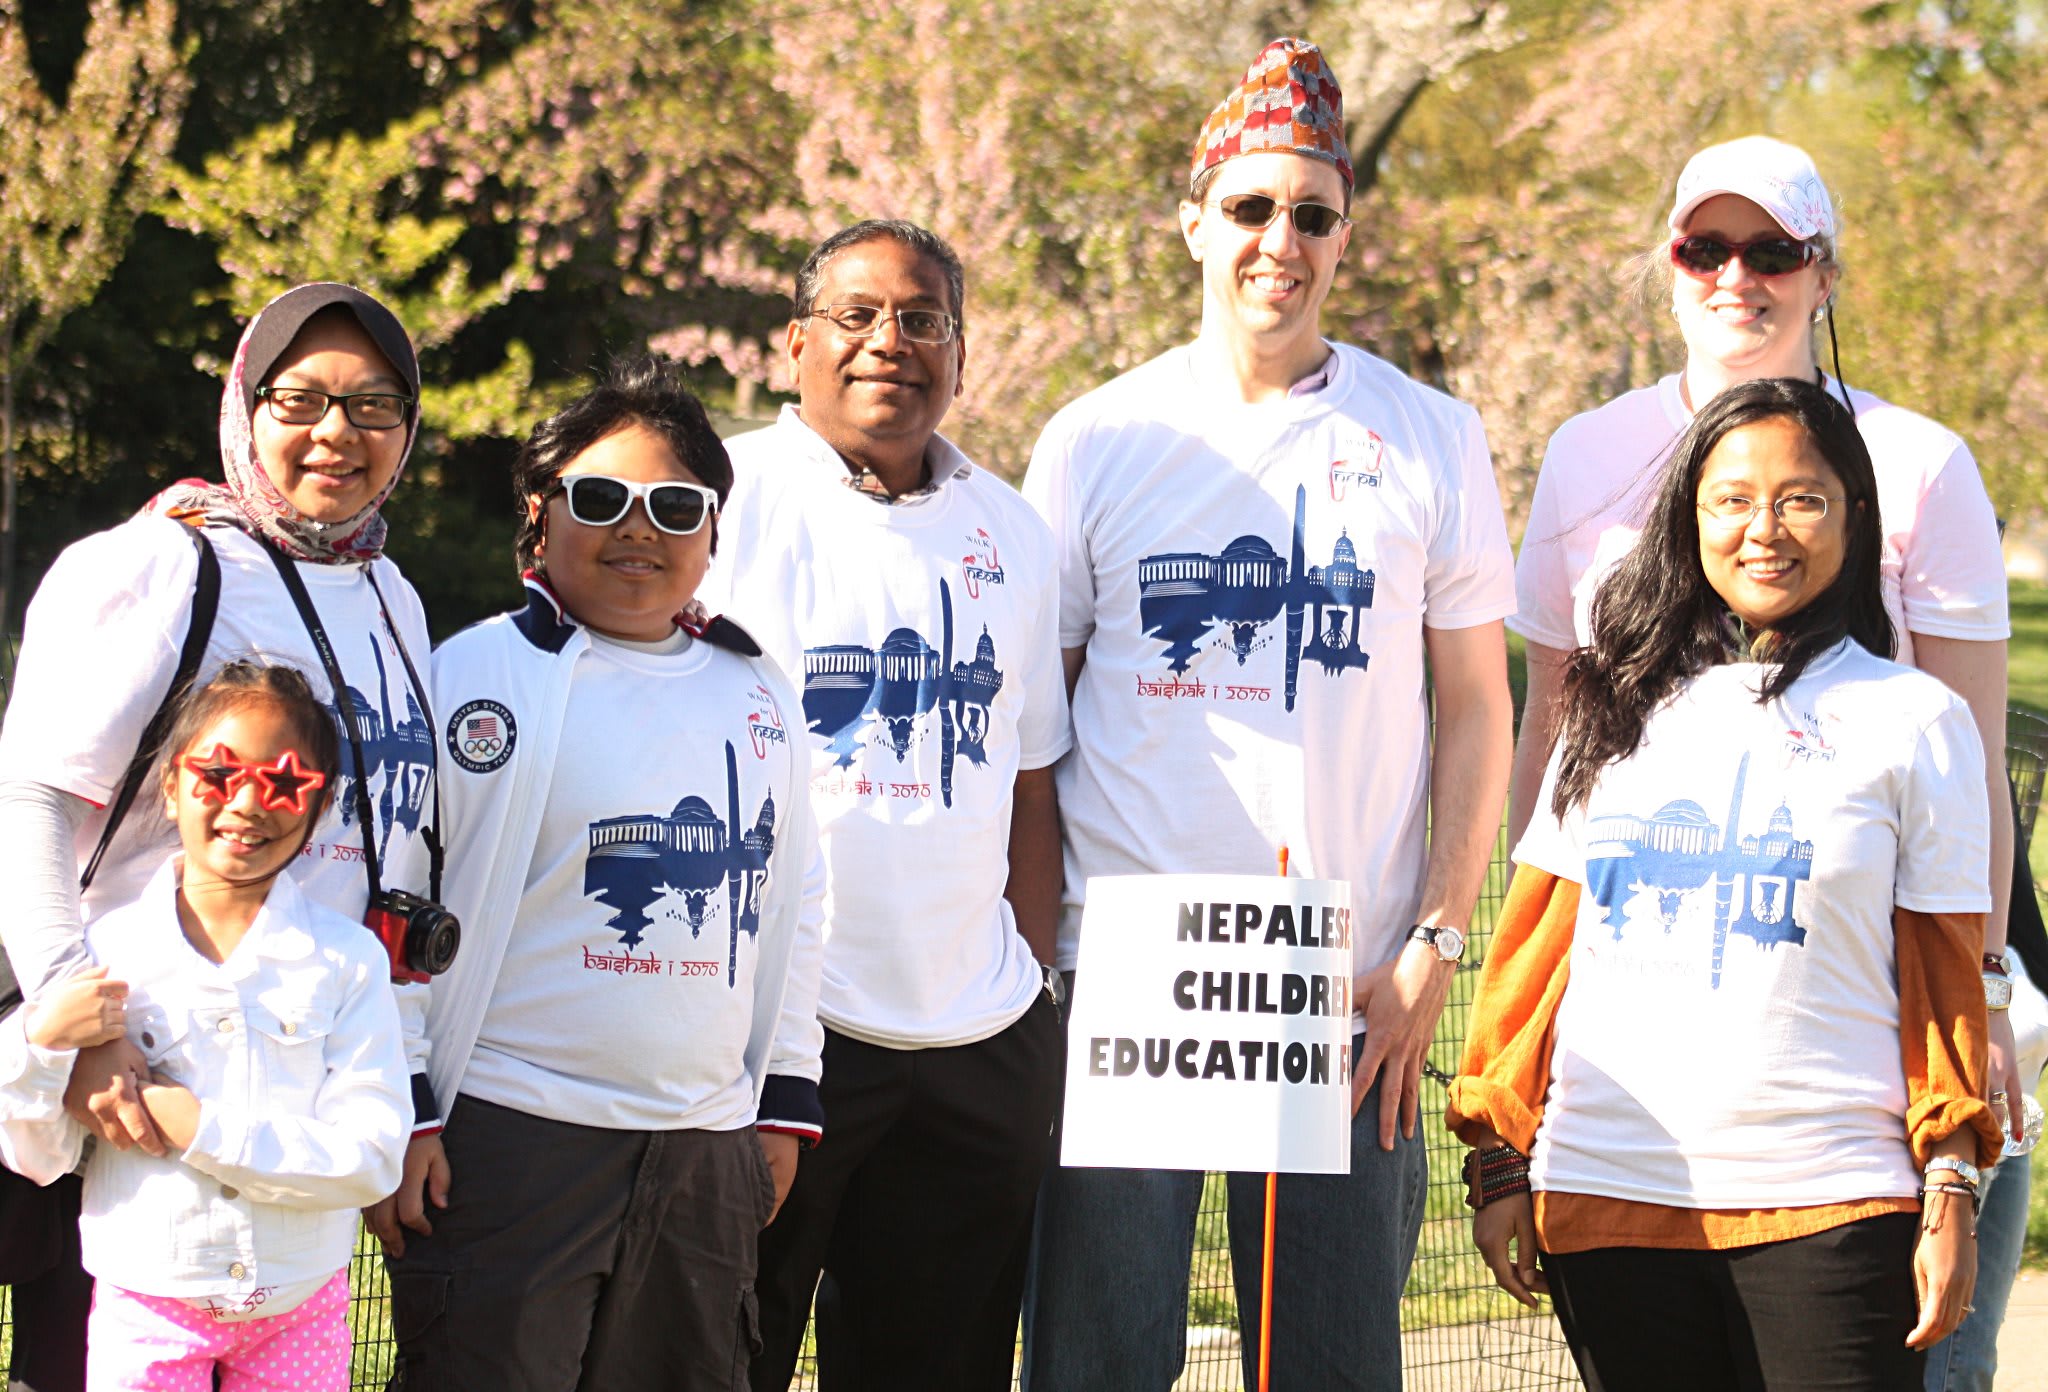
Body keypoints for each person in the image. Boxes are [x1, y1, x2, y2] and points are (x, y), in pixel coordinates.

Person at [1019, 37, 1515, 1392]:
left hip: (1348, 988)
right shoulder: (1096, 440)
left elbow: (1481, 705)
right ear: (1193, 218)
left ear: (1347, 232)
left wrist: (1434, 942)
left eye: (1312, 214)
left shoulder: (1430, 435)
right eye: (1249, 208)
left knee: (1330, 1365)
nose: (1278, 242)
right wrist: (1036, 966)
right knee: (1094, 1361)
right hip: (1126, 979)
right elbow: (1034, 729)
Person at [1452, 376, 2003, 1390]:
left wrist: (1950, 1186)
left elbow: (1943, 985)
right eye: (1730, 499)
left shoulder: (1913, 721)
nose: (1764, 529)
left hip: (1834, 1204)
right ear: (1686, 518)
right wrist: (1495, 1157)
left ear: (1852, 517)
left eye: (1801, 497)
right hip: (1607, 1198)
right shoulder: (1608, 711)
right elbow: (1535, 954)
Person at [1505, 134, 2019, 1124]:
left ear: (1822, 275)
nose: (1733, 276)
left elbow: (1971, 764)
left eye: (1770, 253)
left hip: (1854, 987)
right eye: (1704, 250)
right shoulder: (1585, 453)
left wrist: (1979, 995)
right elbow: (1550, 736)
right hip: (1638, 976)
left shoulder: (1915, 463)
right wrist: (1535, 979)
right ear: (1669, 268)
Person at [0, 282, 441, 1392]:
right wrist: (76, 1022)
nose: (336, 432)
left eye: (374, 404)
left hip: (299, 1060)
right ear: (246, 404)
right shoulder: (161, 565)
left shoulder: (391, 591)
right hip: (134, 1080)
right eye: (300, 398)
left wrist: (403, 1080)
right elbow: (34, 795)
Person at [381, 357, 825, 1391]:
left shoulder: (758, 687)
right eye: (600, 499)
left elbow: (794, 901)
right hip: (508, 1139)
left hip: (705, 1150)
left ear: (713, 532)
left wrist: (781, 1101)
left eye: (675, 506)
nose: (639, 530)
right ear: (540, 516)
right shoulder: (471, 675)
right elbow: (399, 902)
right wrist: (411, 1106)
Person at [698, 219, 1067, 1391]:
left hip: (975, 1048)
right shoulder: (718, 496)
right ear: (794, 341)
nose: (887, 343)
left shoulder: (1011, 529)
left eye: (921, 319)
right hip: (783, 1042)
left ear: (960, 354)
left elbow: (1029, 775)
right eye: (855, 317)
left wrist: (1038, 999)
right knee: (724, 1360)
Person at [0, 661, 410, 1391]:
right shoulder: (102, 954)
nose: (250, 803)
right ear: (169, 784)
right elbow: (40, 1157)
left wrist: (199, 1128)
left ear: (317, 807)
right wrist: (40, 1044)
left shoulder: (347, 960)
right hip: (145, 1300)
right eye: (219, 774)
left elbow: (374, 1156)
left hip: (300, 1304)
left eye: (286, 782)